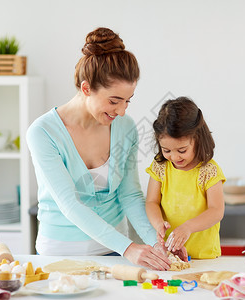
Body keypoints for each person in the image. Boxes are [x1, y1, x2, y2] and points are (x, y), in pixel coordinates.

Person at [26, 27, 171, 270]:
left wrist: (156, 244)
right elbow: (69, 203)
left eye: (127, 100)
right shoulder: (43, 133)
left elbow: (130, 195)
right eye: (114, 101)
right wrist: (128, 247)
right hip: (59, 255)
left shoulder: (125, 128)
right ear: (86, 89)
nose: (122, 111)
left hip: (114, 252)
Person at [145, 97, 226, 259]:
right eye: (166, 150)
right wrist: (158, 223)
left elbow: (216, 211)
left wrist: (188, 227)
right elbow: (151, 202)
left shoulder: (209, 170)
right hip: (170, 255)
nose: (174, 157)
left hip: (203, 256)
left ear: (198, 139)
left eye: (182, 150)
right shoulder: (160, 166)